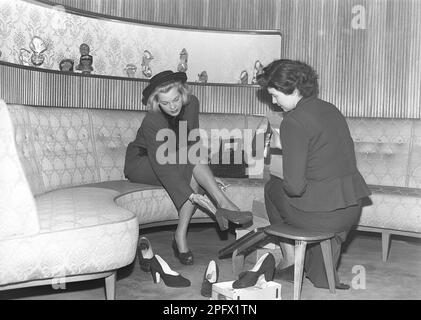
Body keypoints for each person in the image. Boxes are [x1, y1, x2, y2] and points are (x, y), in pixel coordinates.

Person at [257, 59, 371, 289]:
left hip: (322, 217)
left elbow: (295, 188)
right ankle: (317, 271)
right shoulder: (330, 108)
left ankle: (290, 261)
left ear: (294, 89)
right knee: (313, 194)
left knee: (272, 187)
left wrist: (284, 167)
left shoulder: (293, 121)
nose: (273, 101)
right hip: (350, 211)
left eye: (275, 94)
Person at [124, 70, 252, 265]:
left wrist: (207, 176)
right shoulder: (152, 120)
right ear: (157, 102)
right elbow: (162, 164)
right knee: (191, 165)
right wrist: (191, 194)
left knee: (194, 161)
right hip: (143, 162)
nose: (172, 106)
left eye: (175, 99)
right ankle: (223, 204)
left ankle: (180, 236)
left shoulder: (192, 104)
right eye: (165, 103)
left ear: (182, 93)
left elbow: (192, 140)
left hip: (176, 156)